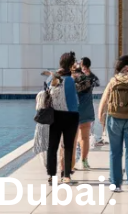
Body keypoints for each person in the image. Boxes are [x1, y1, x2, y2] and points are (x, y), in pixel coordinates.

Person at [99, 55, 128, 190]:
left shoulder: (114, 80)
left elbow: (105, 98)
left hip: (114, 118)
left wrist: (101, 116)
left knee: (115, 151)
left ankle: (115, 183)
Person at [45, 53, 80, 184]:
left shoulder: (52, 78)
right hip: (71, 115)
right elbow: (75, 99)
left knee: (52, 146)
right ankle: (66, 176)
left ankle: (51, 175)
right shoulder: (70, 80)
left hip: (54, 115)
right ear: (71, 65)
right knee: (68, 146)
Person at [73, 57, 100, 170]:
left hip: (75, 109)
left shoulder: (74, 78)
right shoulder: (90, 77)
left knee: (73, 138)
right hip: (87, 108)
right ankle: (84, 161)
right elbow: (97, 82)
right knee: (85, 137)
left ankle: (71, 163)